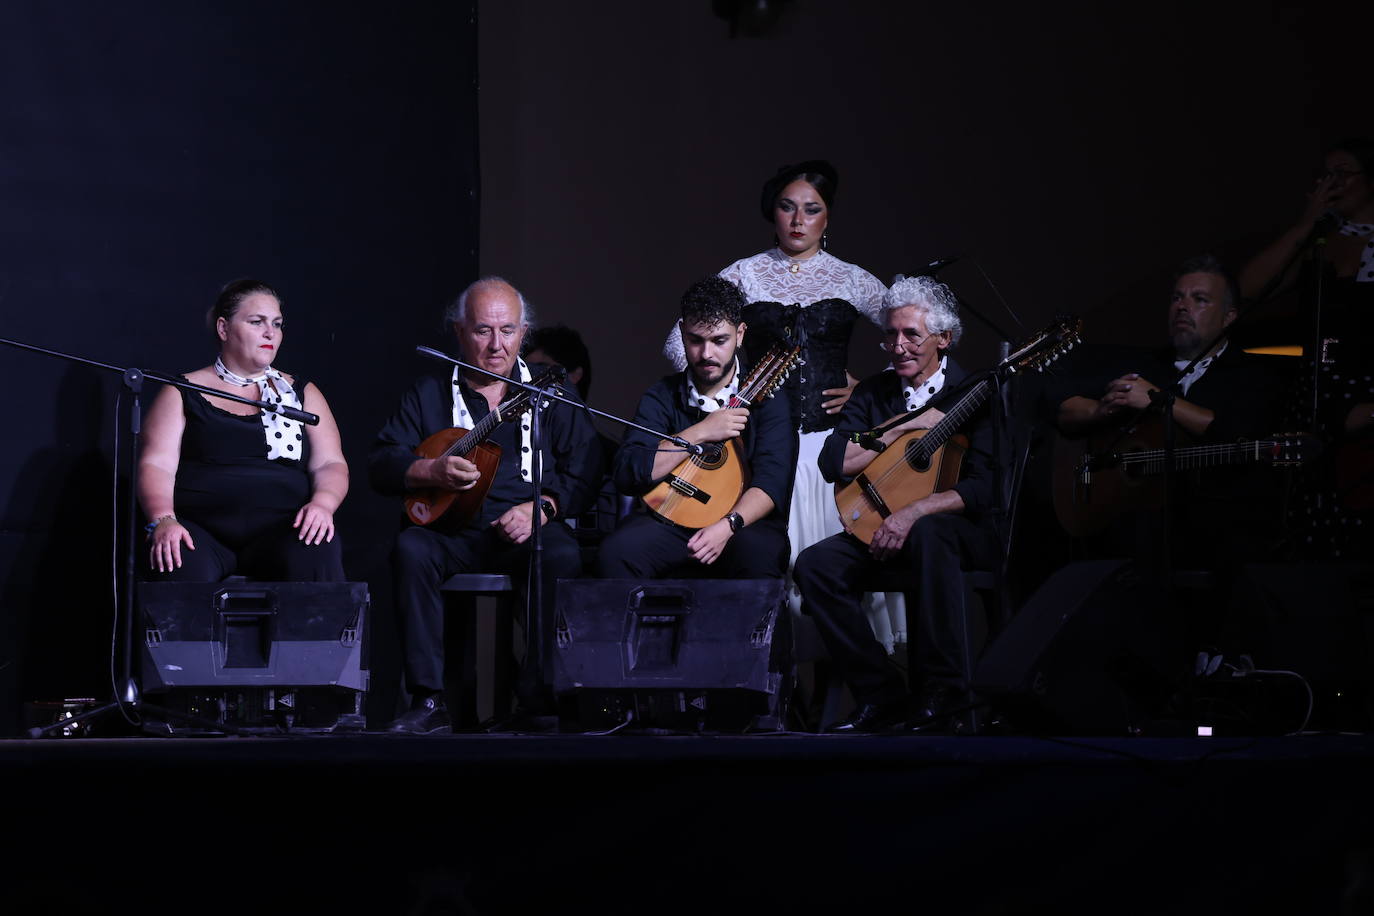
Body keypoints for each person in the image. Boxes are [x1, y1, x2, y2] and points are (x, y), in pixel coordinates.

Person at [661, 161, 900, 643]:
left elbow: (914, 338)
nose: (798, 220)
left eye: (811, 209)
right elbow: (676, 345)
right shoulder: (745, 274)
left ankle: (845, 681)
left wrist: (870, 389)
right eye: (788, 207)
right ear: (773, 212)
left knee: (834, 581)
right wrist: (733, 390)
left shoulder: (851, 279)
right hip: (766, 450)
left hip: (831, 449)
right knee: (769, 574)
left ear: (827, 217)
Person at [370, 277, 603, 734]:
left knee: (560, 554)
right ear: (460, 331)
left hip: (525, 527)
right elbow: (381, 464)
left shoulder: (549, 391)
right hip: (450, 532)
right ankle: (429, 699)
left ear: (523, 333)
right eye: (482, 331)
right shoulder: (429, 393)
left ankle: (538, 700)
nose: (497, 345)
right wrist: (430, 471)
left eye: (508, 331)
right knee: (411, 549)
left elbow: (587, 466)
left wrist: (544, 508)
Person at [793, 276, 1001, 733]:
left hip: (952, 533)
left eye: (911, 334)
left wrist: (914, 512)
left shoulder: (974, 394)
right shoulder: (874, 392)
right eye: (890, 334)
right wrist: (901, 427)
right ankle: (881, 694)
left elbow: (984, 487)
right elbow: (833, 462)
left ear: (943, 339)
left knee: (929, 532)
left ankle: (942, 693)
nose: (898, 346)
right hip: (880, 527)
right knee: (815, 566)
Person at [138, 278, 347, 582]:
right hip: (200, 531)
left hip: (283, 529)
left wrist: (323, 504)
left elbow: (330, 463)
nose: (270, 333)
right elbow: (157, 464)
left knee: (318, 544)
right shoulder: (181, 391)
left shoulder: (303, 392)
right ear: (224, 329)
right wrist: (163, 519)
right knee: (174, 553)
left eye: (277, 324)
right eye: (256, 322)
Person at [598, 276, 797, 579]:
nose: (706, 354)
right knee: (617, 553)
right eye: (695, 340)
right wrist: (700, 432)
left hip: (740, 524)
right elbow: (628, 471)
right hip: (670, 521)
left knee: (758, 552)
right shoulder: (661, 396)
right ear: (682, 333)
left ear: (740, 334)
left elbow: (772, 483)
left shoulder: (768, 401)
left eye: (719, 341)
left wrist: (727, 526)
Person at [1238, 139, 1374, 559]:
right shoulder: (1320, 240)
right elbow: (1249, 288)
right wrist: (1306, 224)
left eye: (1342, 173)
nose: (1331, 183)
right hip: (1316, 394)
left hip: (1367, 394)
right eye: (1325, 175)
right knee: (1310, 519)